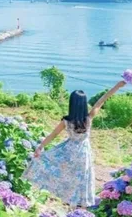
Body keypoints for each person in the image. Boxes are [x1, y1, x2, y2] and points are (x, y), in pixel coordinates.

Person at [23, 80, 126, 208]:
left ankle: (67, 199)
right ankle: (80, 202)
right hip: (83, 152)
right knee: (82, 177)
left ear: (71, 104)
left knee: (67, 175)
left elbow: (53, 135)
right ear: (84, 104)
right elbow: (101, 100)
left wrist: (40, 147)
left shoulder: (66, 121)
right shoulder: (89, 118)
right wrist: (118, 86)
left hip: (69, 150)